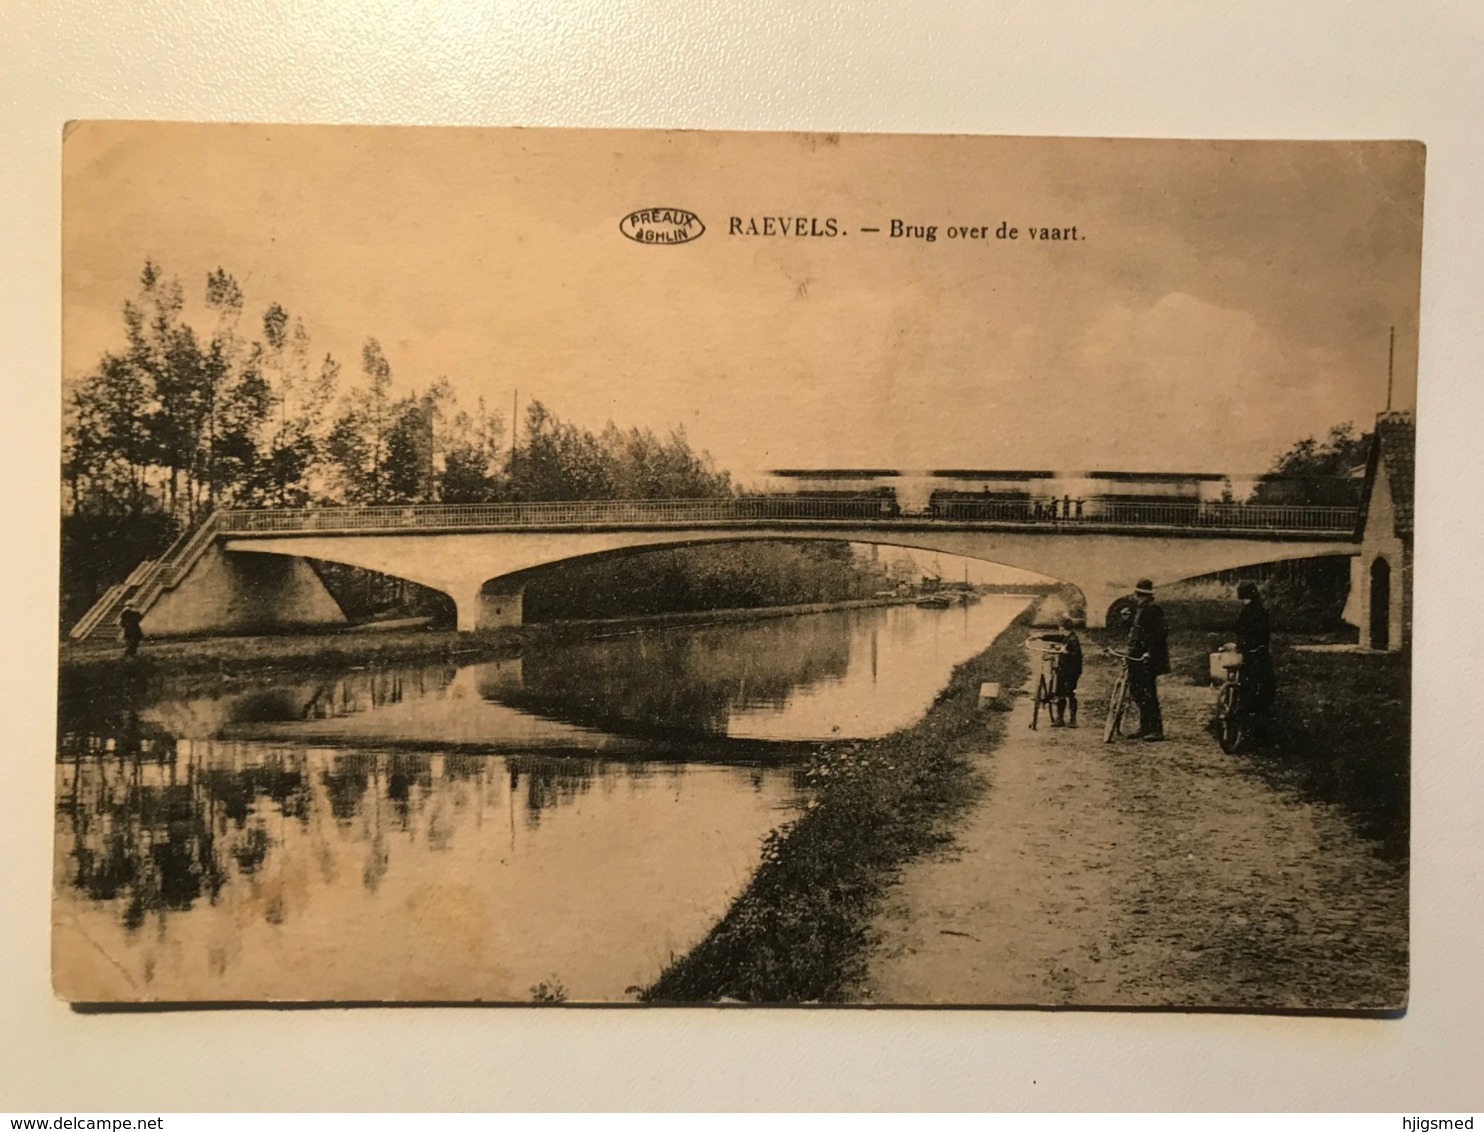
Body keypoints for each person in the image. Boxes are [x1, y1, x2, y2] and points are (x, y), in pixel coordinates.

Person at [1125, 578, 1169, 741]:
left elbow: (1159, 633)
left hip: (1147, 658)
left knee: (1148, 692)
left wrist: (1149, 652)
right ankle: (1145, 727)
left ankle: (1156, 730)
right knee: (1138, 690)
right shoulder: (1141, 609)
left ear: (1141, 594)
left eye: (1139, 594)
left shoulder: (1153, 609)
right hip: (1137, 656)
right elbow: (1139, 630)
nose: (1138, 597)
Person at [1234, 580, 1276, 726]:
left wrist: (1242, 646)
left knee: (1248, 682)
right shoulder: (1261, 611)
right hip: (1259, 652)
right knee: (1266, 683)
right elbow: (1264, 634)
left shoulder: (1245, 612)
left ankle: (1246, 713)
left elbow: (1241, 633)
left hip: (1249, 652)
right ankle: (1260, 714)